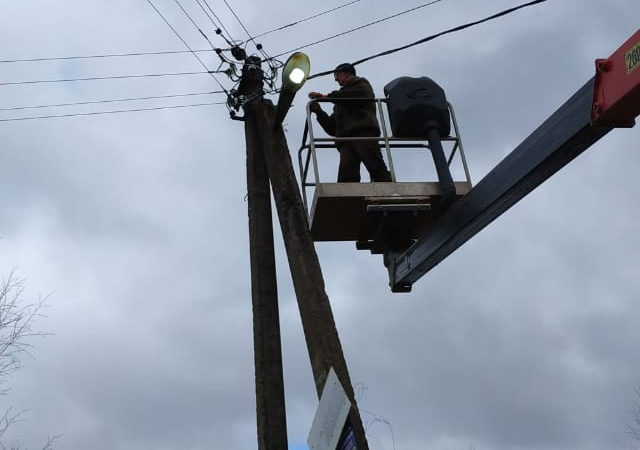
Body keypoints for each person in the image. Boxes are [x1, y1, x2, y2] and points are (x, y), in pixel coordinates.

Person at [308, 63, 392, 183]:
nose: (336, 79)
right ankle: (349, 201)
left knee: (376, 168)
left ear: (347, 73)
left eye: (337, 75)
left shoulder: (362, 85)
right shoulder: (340, 101)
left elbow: (355, 96)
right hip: (346, 141)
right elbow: (333, 128)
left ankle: (389, 192)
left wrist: (327, 97)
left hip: (363, 134)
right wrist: (319, 112)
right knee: (346, 178)